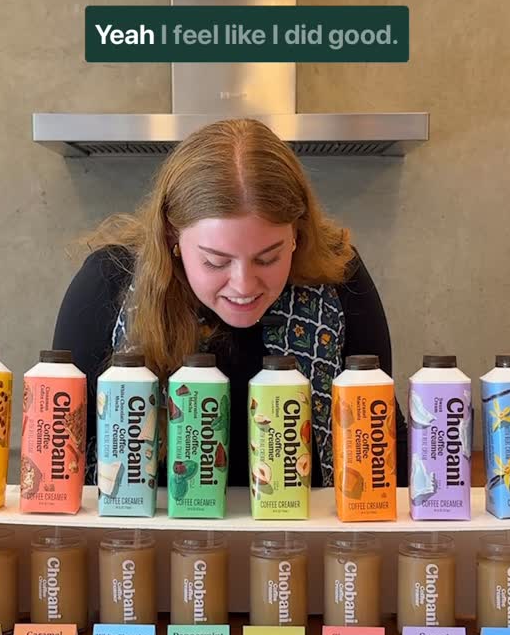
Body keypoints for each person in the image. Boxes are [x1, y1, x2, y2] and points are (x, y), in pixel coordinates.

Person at [53, 117, 407, 486]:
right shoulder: (109, 283)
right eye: (215, 261)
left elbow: (382, 437)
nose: (243, 285)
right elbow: (64, 454)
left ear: (297, 234)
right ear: (172, 238)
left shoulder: (338, 278)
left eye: (268, 258)